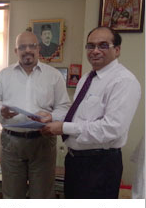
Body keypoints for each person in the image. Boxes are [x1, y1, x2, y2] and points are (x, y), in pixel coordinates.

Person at [38, 26, 141, 198]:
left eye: (103, 45)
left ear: (117, 50)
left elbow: (112, 128)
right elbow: (77, 114)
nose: (95, 51)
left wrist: (64, 128)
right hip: (75, 162)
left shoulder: (124, 81)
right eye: (90, 46)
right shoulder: (87, 78)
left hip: (100, 165)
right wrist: (52, 117)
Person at [0, 31, 70, 199]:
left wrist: (51, 116)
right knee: (12, 195)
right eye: (22, 47)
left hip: (43, 141)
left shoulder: (53, 75)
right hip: (11, 143)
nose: (27, 50)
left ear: (38, 49)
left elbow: (65, 107)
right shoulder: (5, 75)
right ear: (16, 51)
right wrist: (0, 110)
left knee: (42, 196)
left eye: (32, 46)